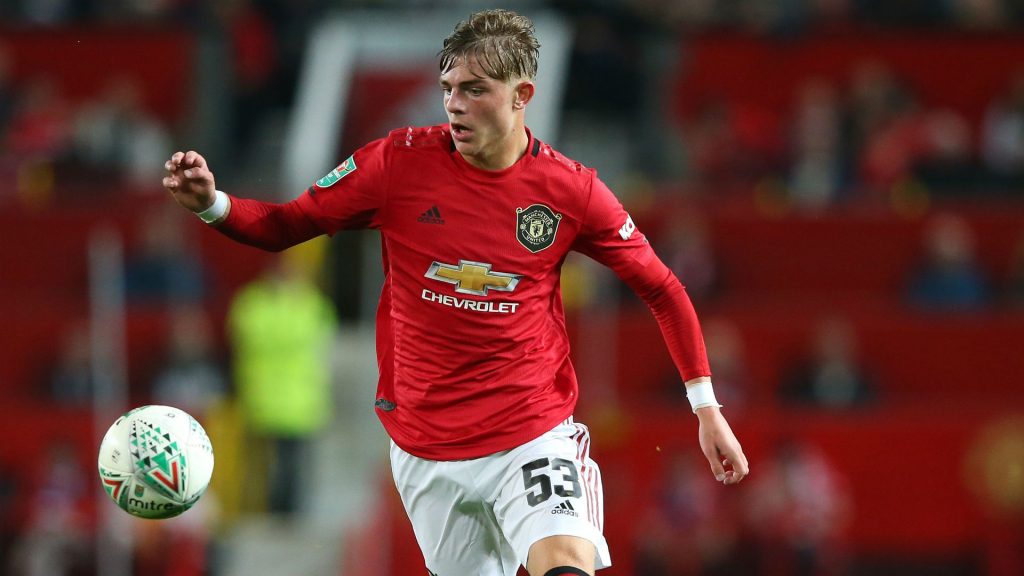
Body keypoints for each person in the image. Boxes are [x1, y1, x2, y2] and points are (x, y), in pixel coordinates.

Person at [162, 9, 747, 576]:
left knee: (566, 561)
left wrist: (706, 408)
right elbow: (286, 225)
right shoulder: (397, 163)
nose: (454, 105)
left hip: (531, 431)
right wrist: (212, 203)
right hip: (426, 449)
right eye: (448, 88)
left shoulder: (571, 192)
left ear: (522, 95)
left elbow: (663, 288)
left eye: (474, 89)